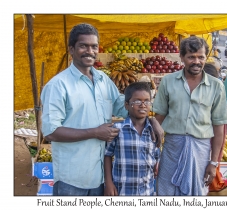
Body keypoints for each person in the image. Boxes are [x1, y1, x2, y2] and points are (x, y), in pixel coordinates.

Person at [40, 23, 163, 196]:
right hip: (73, 178)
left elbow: (124, 107)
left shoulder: (102, 80)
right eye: (83, 46)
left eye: (94, 46)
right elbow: (51, 132)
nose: (89, 51)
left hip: (99, 177)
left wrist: (152, 120)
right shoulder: (58, 85)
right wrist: (94, 132)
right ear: (71, 49)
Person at [153, 36, 227, 196]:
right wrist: (152, 154)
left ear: (205, 58)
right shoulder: (168, 81)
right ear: (182, 57)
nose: (197, 61)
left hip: (200, 151)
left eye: (201, 57)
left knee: (196, 194)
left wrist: (214, 162)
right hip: (172, 149)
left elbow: (218, 127)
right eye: (191, 57)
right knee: (166, 192)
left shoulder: (216, 86)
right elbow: (158, 118)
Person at [104, 82, 160, 196]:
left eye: (147, 101)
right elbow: (107, 155)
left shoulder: (154, 132)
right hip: (122, 191)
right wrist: (108, 183)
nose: (143, 105)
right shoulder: (117, 129)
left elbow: (156, 155)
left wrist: (156, 164)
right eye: (137, 101)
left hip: (146, 192)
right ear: (126, 105)